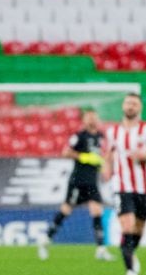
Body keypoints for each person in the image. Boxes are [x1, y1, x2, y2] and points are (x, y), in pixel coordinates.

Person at [103, 93, 146, 275]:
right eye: (128, 103)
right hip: (121, 185)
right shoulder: (113, 131)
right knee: (127, 225)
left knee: (139, 228)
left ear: (139, 108)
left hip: (144, 185)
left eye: (134, 103)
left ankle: (130, 252)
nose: (130, 106)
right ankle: (130, 272)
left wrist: (144, 155)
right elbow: (107, 153)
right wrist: (106, 168)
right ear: (123, 106)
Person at [37, 109, 113, 261]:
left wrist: (105, 166)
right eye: (89, 116)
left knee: (97, 211)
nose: (92, 119)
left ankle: (101, 249)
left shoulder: (101, 137)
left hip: (92, 181)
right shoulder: (79, 136)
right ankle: (45, 239)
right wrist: (83, 157)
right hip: (78, 180)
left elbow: (106, 155)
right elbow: (66, 152)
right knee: (66, 210)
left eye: (94, 116)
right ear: (84, 119)